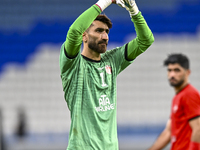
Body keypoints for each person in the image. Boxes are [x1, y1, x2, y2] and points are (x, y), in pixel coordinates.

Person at [59, 0, 154, 149]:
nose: (105, 37)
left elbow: (146, 40)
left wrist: (133, 9)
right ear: (84, 36)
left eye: (106, 32)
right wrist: (106, 1)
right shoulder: (72, 64)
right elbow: (73, 32)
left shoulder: (112, 60)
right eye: (98, 31)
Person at [148, 54, 200, 150]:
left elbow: (198, 129)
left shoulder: (189, 94)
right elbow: (168, 132)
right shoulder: (178, 97)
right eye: (170, 70)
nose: (172, 74)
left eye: (177, 70)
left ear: (187, 72)